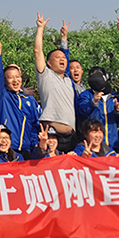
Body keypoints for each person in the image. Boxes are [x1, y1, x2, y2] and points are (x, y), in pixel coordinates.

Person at [0, 31, 41, 159]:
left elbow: (35, 124)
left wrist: (34, 144)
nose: (15, 80)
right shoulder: (2, 96)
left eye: (18, 76)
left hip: (27, 150)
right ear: (5, 80)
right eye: (10, 77)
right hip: (7, 147)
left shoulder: (29, 100)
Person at [34, 13, 76, 153]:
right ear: (49, 63)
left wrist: (64, 39)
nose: (62, 59)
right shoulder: (45, 75)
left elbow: (66, 56)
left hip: (70, 136)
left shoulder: (68, 79)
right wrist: (40, 28)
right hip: (51, 134)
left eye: (63, 58)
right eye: (57, 57)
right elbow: (37, 51)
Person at [76, 67, 119, 149]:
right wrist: (93, 101)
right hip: (93, 144)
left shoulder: (114, 96)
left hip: (112, 143)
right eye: (94, 76)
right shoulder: (86, 95)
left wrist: (118, 111)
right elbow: (82, 112)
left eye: (99, 75)